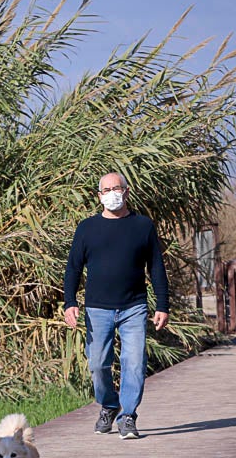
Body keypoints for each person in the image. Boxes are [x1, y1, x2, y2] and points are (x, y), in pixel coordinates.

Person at [63, 172, 169, 440]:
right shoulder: (87, 228)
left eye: (117, 188)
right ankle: (109, 405)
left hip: (134, 307)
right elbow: (73, 268)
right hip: (97, 308)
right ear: (99, 196)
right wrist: (70, 302)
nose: (112, 193)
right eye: (106, 189)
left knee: (134, 362)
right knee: (98, 364)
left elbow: (156, 267)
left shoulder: (143, 226)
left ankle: (128, 416)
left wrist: (162, 305)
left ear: (127, 192)